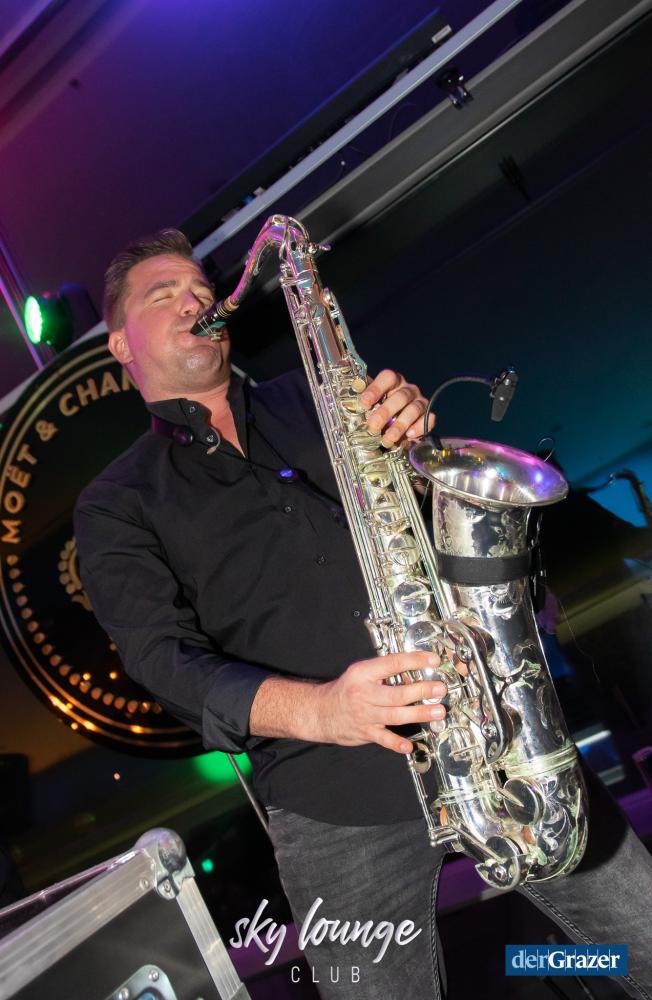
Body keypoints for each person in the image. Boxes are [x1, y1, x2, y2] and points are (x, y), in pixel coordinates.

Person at [74, 229, 652, 1000]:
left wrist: (417, 451)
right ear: (120, 343)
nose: (197, 302)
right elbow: (161, 661)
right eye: (164, 294)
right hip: (333, 807)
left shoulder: (320, 394)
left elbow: (416, 521)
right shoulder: (115, 503)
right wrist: (322, 710)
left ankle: (546, 968)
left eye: (202, 290)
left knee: (640, 948)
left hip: (494, 730)